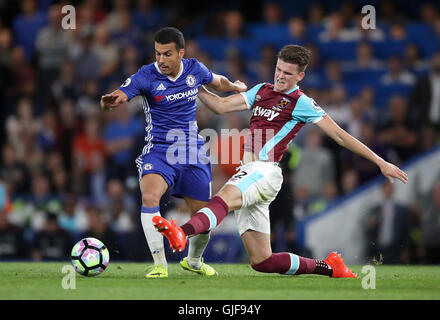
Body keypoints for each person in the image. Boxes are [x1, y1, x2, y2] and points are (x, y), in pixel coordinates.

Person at [153, 44, 408, 278]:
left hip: (264, 171)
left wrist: (380, 161)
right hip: (250, 174)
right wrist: (193, 84)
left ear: (300, 76)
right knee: (262, 260)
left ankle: (182, 232)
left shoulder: (301, 102)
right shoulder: (262, 90)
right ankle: (329, 267)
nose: (280, 76)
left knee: (223, 198)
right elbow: (220, 106)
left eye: (287, 72)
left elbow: (340, 136)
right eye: (278, 69)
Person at [100, 27, 247, 278]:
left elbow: (216, 80)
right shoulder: (146, 75)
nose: (161, 60)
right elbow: (122, 93)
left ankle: (194, 261)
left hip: (191, 151)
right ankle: (160, 265)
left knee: (203, 216)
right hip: (159, 150)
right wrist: (110, 101)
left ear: (181, 53)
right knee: (149, 197)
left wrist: (233, 85)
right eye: (157, 53)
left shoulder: (194, 69)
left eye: (167, 54)